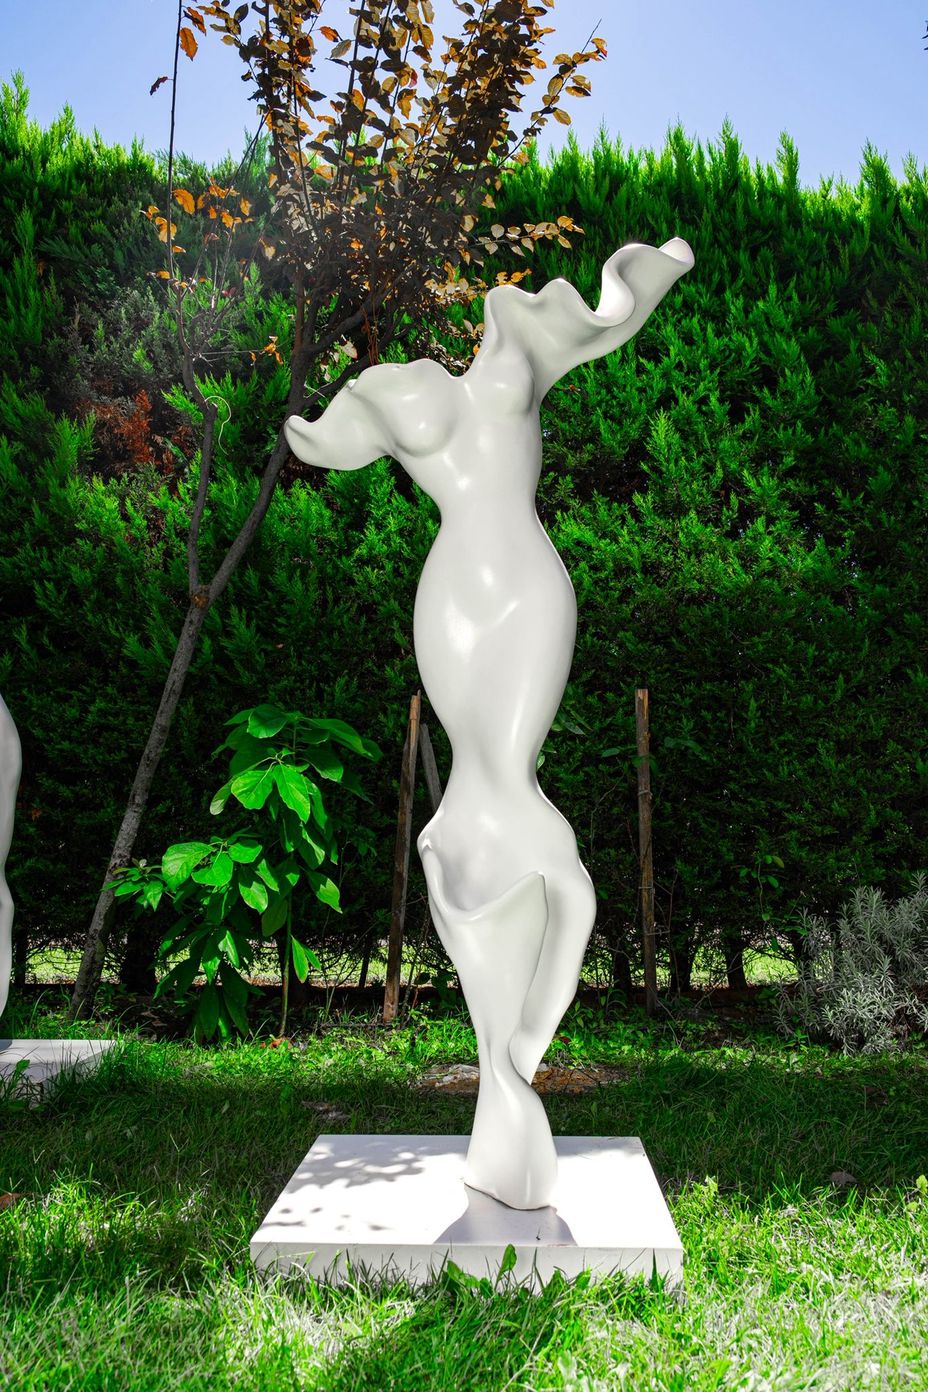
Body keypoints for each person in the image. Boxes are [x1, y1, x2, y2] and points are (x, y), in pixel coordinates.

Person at [285, 238, 694, 1207]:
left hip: (526, 591)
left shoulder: (522, 347)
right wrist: (323, 427)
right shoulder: (405, 392)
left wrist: (641, 282)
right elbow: (322, 443)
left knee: (510, 775)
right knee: (474, 779)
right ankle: (499, 1066)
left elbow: (620, 305)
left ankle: (521, 1025)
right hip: (451, 603)